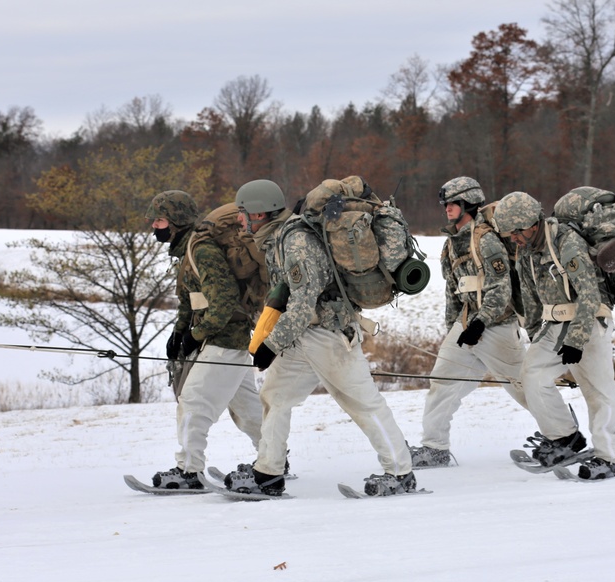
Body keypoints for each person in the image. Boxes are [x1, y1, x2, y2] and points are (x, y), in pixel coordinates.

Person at [224, 179, 417, 497]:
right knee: (275, 398)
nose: (239, 219)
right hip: (303, 336)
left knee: (363, 404)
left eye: (243, 213)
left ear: (259, 214)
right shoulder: (277, 239)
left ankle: (400, 472)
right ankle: (268, 472)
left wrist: (272, 344)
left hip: (328, 334)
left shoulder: (295, 240)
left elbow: (304, 299)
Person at [492, 191, 615, 480]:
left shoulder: (566, 242)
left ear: (532, 223)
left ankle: (608, 458)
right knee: (532, 375)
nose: (513, 238)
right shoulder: (525, 252)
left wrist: (576, 341)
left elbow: (588, 294)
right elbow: (529, 297)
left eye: (516, 232)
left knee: (597, 389)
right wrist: (533, 334)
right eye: (509, 233)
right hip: (553, 325)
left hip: (588, 321)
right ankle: (564, 438)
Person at [145, 190, 264, 490]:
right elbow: (192, 299)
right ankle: (273, 458)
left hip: (224, 341)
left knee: (194, 402)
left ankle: (189, 470)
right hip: (223, 341)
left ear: (176, 221)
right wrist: (178, 332)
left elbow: (223, 301)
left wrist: (194, 336)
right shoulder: (187, 251)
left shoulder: (202, 251)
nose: (153, 227)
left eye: (158, 220)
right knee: (248, 410)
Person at [408, 176, 528, 468]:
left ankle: (562, 436)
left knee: (524, 386)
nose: (446, 208)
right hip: (465, 327)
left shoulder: (485, 240)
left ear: (468, 204)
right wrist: (454, 327)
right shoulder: (451, 245)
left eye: (452, 203)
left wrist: (481, 322)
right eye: (445, 204)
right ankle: (434, 448)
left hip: (497, 327)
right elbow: (453, 290)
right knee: (442, 382)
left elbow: (502, 288)